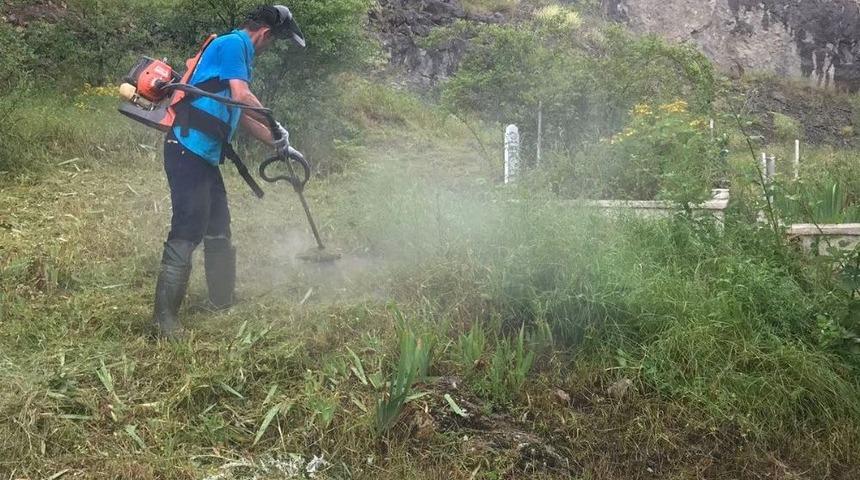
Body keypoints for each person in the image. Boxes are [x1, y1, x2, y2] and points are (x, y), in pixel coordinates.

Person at [154, 5, 306, 339]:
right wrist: (274, 121)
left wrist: (280, 144)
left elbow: (244, 117)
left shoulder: (238, 56)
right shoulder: (235, 44)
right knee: (188, 228)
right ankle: (163, 320)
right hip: (186, 149)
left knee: (219, 226)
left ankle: (221, 301)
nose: (270, 48)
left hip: (204, 157)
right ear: (265, 34)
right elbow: (243, 96)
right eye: (274, 42)